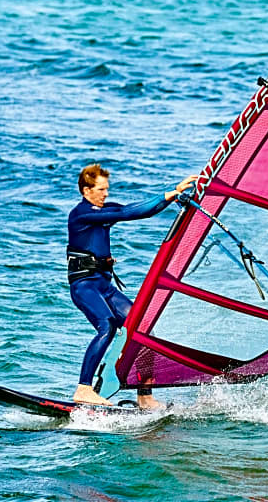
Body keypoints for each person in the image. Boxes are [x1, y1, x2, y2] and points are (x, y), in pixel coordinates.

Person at [67, 163, 197, 408]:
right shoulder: (81, 214)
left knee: (143, 331)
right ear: (86, 191)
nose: (106, 194)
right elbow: (127, 214)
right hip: (84, 286)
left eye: (107, 189)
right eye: (101, 189)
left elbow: (135, 210)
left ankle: (145, 396)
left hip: (104, 286)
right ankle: (83, 389)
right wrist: (169, 192)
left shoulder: (103, 210)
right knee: (106, 325)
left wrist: (173, 198)